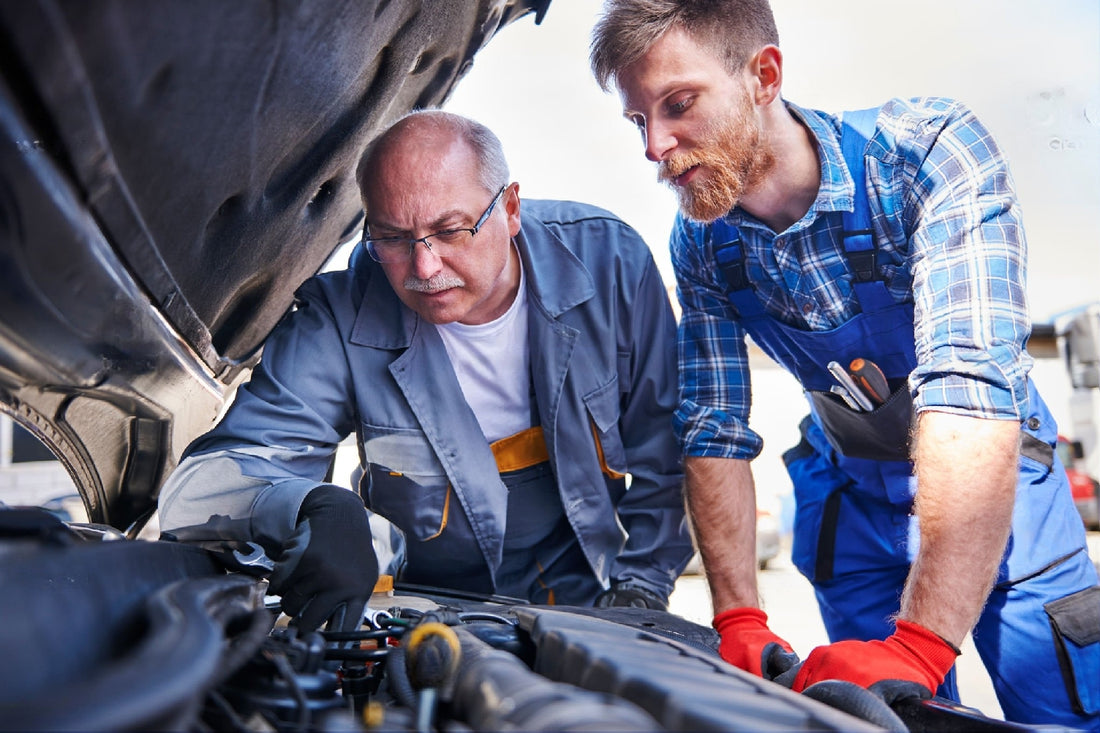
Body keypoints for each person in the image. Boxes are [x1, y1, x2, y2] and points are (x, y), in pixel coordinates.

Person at [590, 1, 1100, 728]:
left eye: (678, 104)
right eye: (639, 120)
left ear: (763, 75)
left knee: (1061, 713)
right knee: (877, 716)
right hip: (855, 500)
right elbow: (714, 429)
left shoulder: (925, 156)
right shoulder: (703, 243)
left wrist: (922, 643)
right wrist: (738, 615)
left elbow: (969, 389)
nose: (655, 146)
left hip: (998, 488)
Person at [158, 110, 693, 632]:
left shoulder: (609, 264)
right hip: (423, 609)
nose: (424, 268)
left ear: (509, 209)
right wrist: (307, 505)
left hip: (587, 598)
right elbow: (197, 489)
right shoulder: (339, 321)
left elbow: (664, 451)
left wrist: (641, 587)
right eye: (392, 237)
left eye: (451, 230)